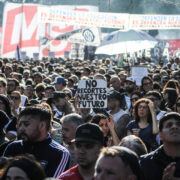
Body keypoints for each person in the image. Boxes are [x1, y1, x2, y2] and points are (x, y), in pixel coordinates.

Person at [3, 105, 70, 178]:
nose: (21, 128)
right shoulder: (12, 147)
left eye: (26, 124)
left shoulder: (59, 152)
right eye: (19, 124)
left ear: (42, 125)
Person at [140, 112, 180, 180]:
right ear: (160, 135)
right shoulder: (146, 162)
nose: (174, 127)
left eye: (179, 124)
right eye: (169, 125)